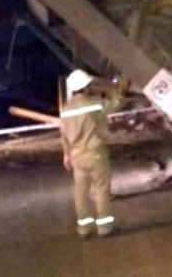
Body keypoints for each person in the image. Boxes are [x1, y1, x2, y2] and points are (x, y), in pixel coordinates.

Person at [61, 69, 120, 238]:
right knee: (101, 191)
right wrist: (119, 92)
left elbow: (64, 135)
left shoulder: (65, 109)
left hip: (76, 156)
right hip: (95, 153)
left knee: (81, 193)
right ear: (85, 87)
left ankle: (84, 229)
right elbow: (115, 104)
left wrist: (66, 155)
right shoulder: (93, 104)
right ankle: (104, 228)